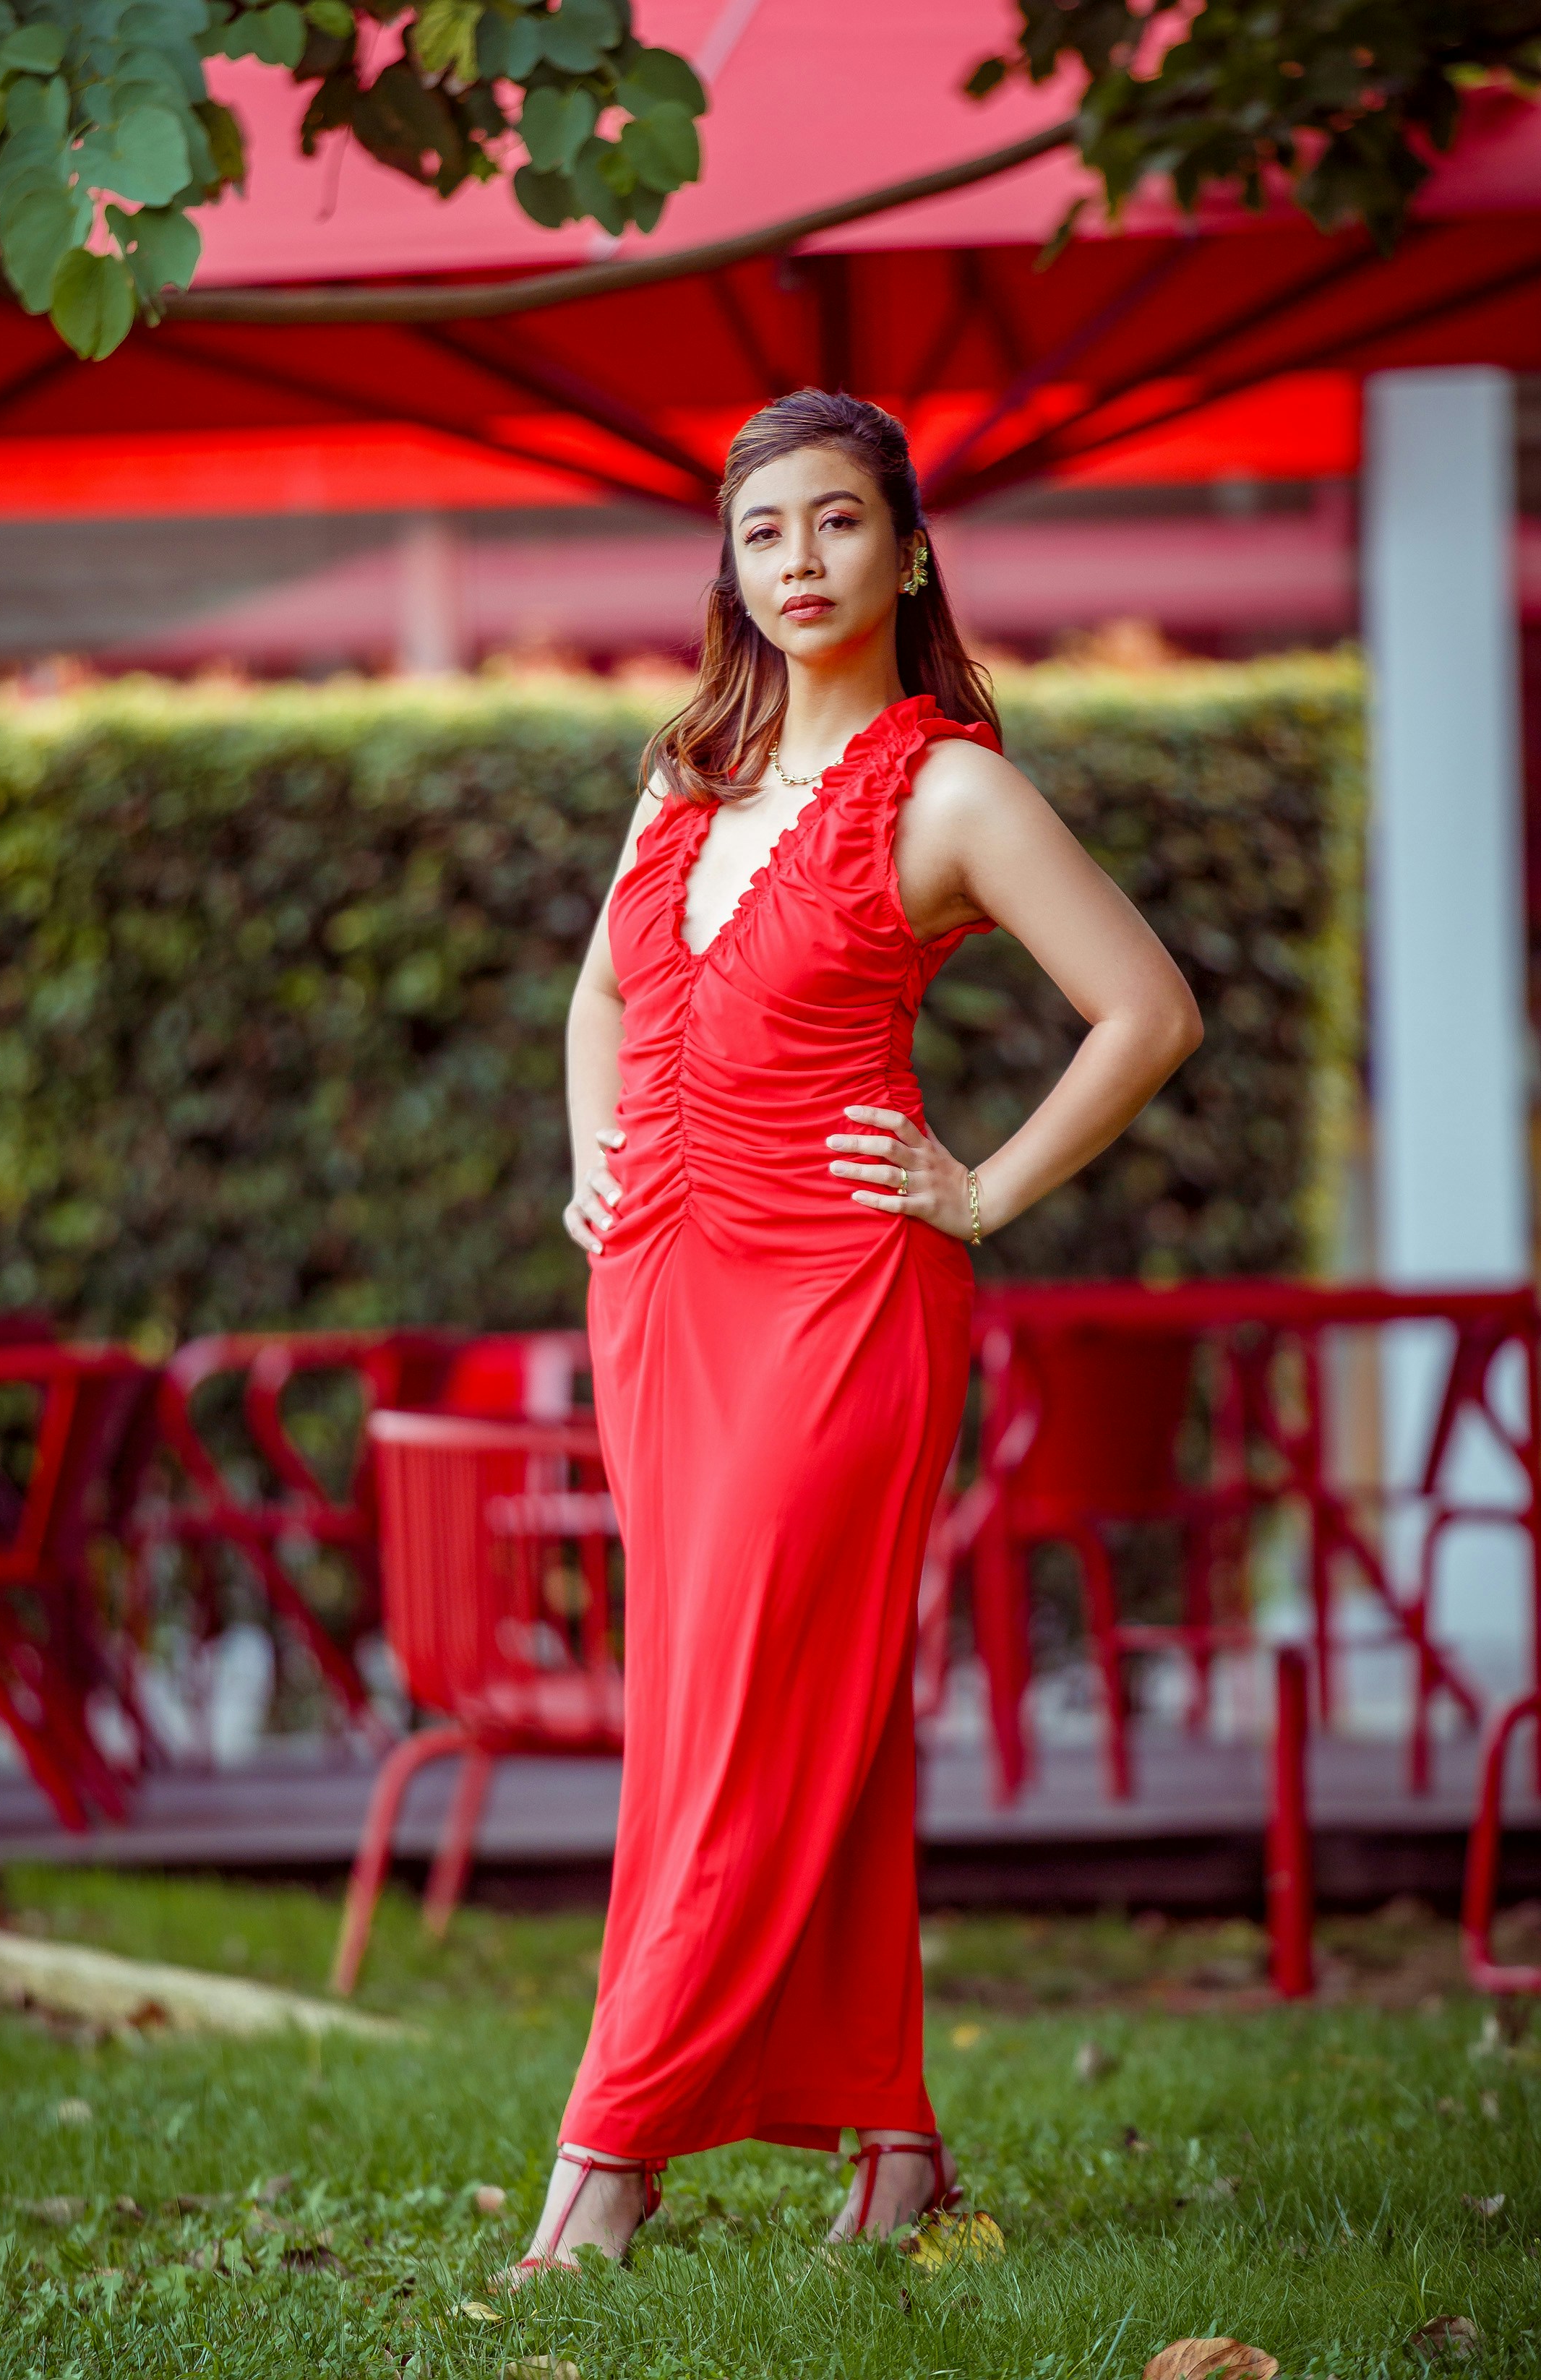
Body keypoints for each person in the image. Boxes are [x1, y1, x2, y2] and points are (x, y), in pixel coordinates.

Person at [516, 388, 1202, 2275]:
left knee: (727, 1726)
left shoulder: (951, 785)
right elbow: (598, 994)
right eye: (763, 534)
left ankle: (612, 2157)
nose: (799, 564)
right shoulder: (685, 776)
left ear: (906, 548)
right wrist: (596, 1152)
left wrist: (984, 1187)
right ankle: (896, 2144)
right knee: (780, 1716)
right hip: (657, 1292)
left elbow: (1143, 1010)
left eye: (834, 525)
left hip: (844, 1296)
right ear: (730, 568)